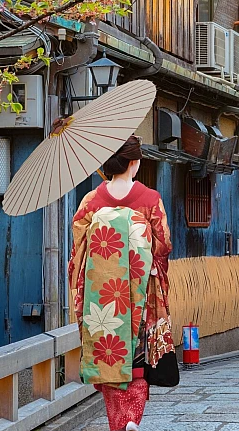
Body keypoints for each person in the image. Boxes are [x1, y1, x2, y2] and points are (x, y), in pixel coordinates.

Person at [68, 136, 173, 431]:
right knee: (137, 366)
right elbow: (163, 245)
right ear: (134, 163)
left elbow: (78, 251)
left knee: (109, 362)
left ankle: (119, 423)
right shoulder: (150, 199)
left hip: (102, 297)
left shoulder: (91, 201)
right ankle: (132, 420)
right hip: (138, 295)